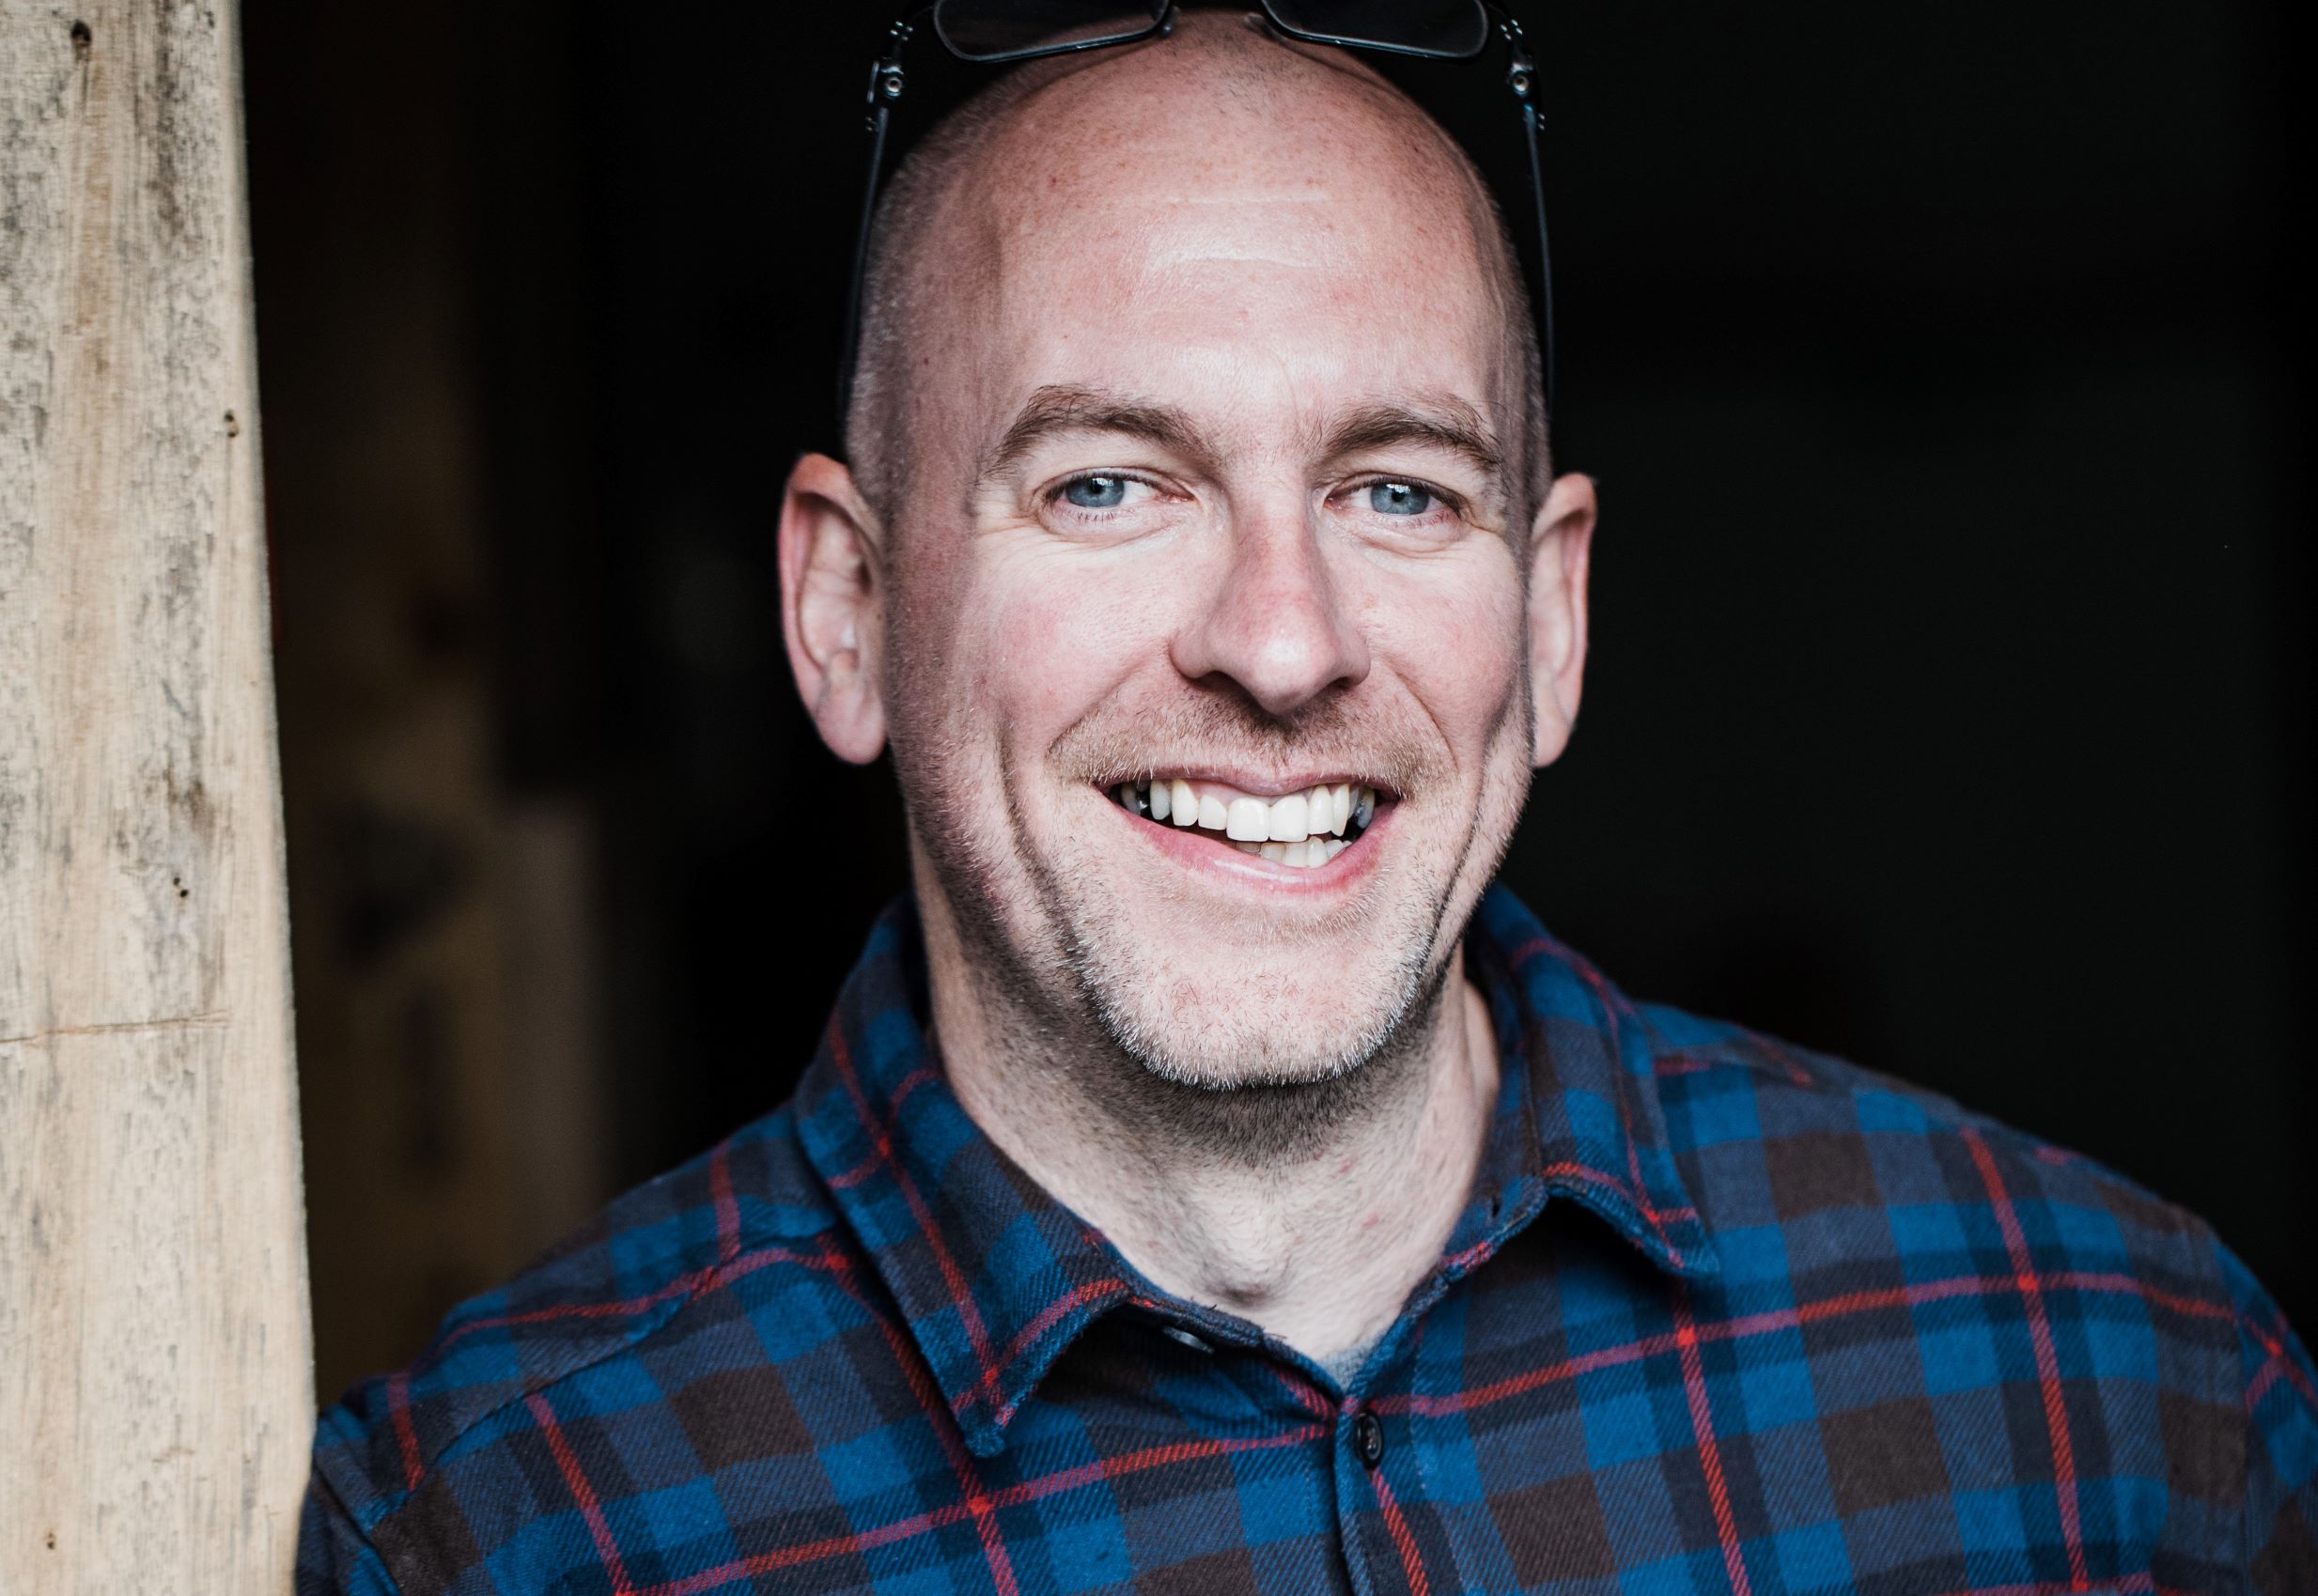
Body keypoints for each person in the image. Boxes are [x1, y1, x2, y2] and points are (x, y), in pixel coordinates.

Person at [296, 11, 2317, 1594]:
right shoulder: (504, 1528)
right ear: (843, 613)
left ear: (1552, 617)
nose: (1282, 643)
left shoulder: (2111, 1392)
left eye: (1397, 492)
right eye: (1108, 483)